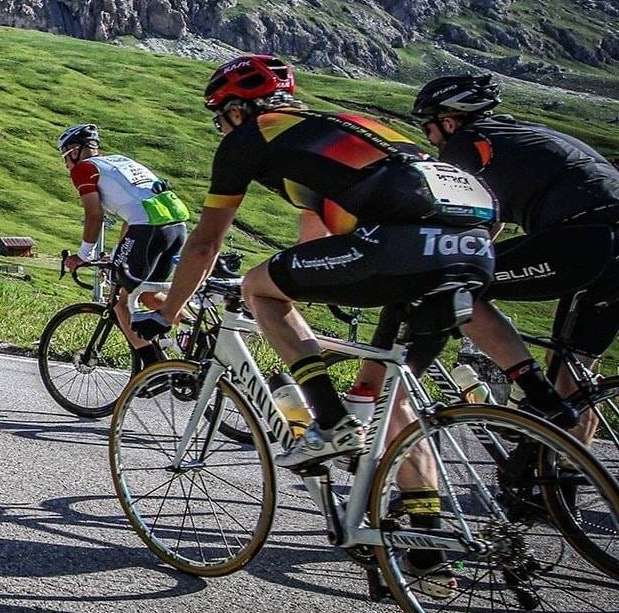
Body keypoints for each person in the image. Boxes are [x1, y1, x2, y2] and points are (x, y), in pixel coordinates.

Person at [134, 55, 498, 475]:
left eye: (221, 119)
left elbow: (204, 244)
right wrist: (308, 280)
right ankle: (424, 523)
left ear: (236, 110)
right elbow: (316, 225)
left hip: (398, 246)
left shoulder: (250, 136)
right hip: (472, 251)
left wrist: (169, 311)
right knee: (386, 397)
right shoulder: (338, 127)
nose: (222, 128)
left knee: (258, 287)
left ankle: (329, 422)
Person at [414, 71, 619, 436]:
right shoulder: (520, 137)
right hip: (603, 237)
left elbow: (462, 226)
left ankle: (534, 394)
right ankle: (555, 487)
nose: (429, 140)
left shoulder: (467, 144)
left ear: (447, 122)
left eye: (428, 129)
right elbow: (486, 228)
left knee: (457, 284)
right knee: (571, 379)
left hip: (585, 236)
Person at [56, 124, 189, 368]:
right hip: (175, 227)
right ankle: (198, 335)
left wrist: (83, 256)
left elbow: (94, 216)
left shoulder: (84, 170)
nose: (65, 164)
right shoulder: (120, 162)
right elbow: (132, 214)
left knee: (121, 303)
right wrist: (118, 254)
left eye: (64, 157)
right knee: (149, 296)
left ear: (74, 151)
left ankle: (152, 369)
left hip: (148, 229)